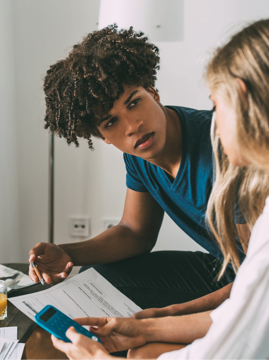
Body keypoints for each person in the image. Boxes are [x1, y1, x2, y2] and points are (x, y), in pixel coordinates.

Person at [50, 17, 269, 359]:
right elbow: (243, 315)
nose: (214, 124)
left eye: (216, 105)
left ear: (242, 99)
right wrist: (148, 326)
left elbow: (230, 347)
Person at [28, 25, 250, 318]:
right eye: (110, 122)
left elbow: (266, 270)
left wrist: (171, 315)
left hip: (262, 278)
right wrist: (68, 253)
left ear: (153, 92)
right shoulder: (139, 156)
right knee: (97, 276)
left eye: (134, 103)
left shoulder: (223, 150)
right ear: (103, 136)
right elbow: (135, 233)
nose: (132, 126)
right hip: (226, 268)